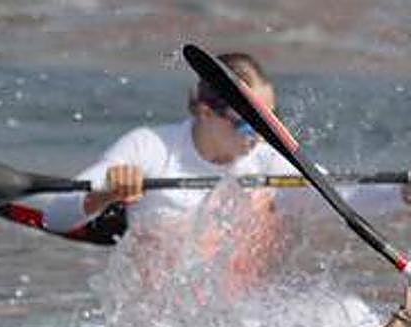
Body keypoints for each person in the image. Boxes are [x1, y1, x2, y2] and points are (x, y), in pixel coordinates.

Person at [39, 52, 411, 294]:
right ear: (205, 109)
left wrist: (403, 193)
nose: (261, 136)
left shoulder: (269, 161)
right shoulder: (151, 148)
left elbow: (341, 199)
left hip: (247, 321)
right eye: (250, 124)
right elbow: (55, 216)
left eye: (269, 123)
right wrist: (105, 195)